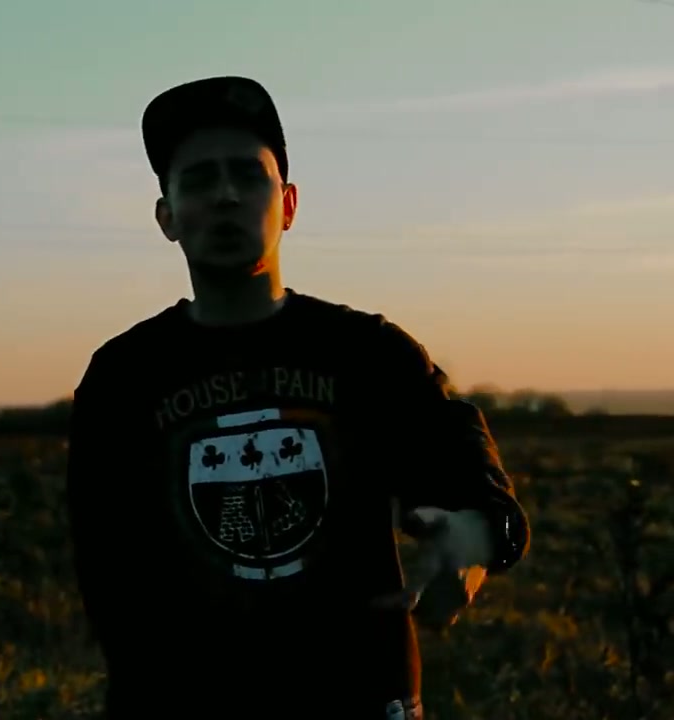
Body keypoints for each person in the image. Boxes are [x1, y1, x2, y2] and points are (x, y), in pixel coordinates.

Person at [65, 76, 531, 719]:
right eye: (199, 180)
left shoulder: (368, 354)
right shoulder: (124, 378)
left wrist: (481, 532)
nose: (226, 195)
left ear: (287, 204)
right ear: (166, 216)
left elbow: (464, 467)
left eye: (247, 176)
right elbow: (107, 575)